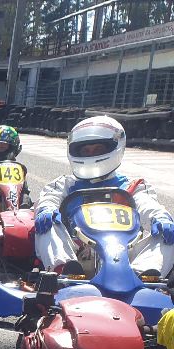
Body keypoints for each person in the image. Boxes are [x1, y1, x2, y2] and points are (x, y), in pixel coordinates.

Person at [33, 115, 174, 275]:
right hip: (77, 250)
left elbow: (148, 205)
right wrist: (46, 210)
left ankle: (143, 277)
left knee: (168, 232)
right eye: (86, 150)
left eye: (98, 149)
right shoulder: (64, 184)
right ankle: (63, 271)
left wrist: (161, 218)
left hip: (125, 252)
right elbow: (48, 199)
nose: (91, 154)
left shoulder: (132, 186)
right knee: (46, 223)